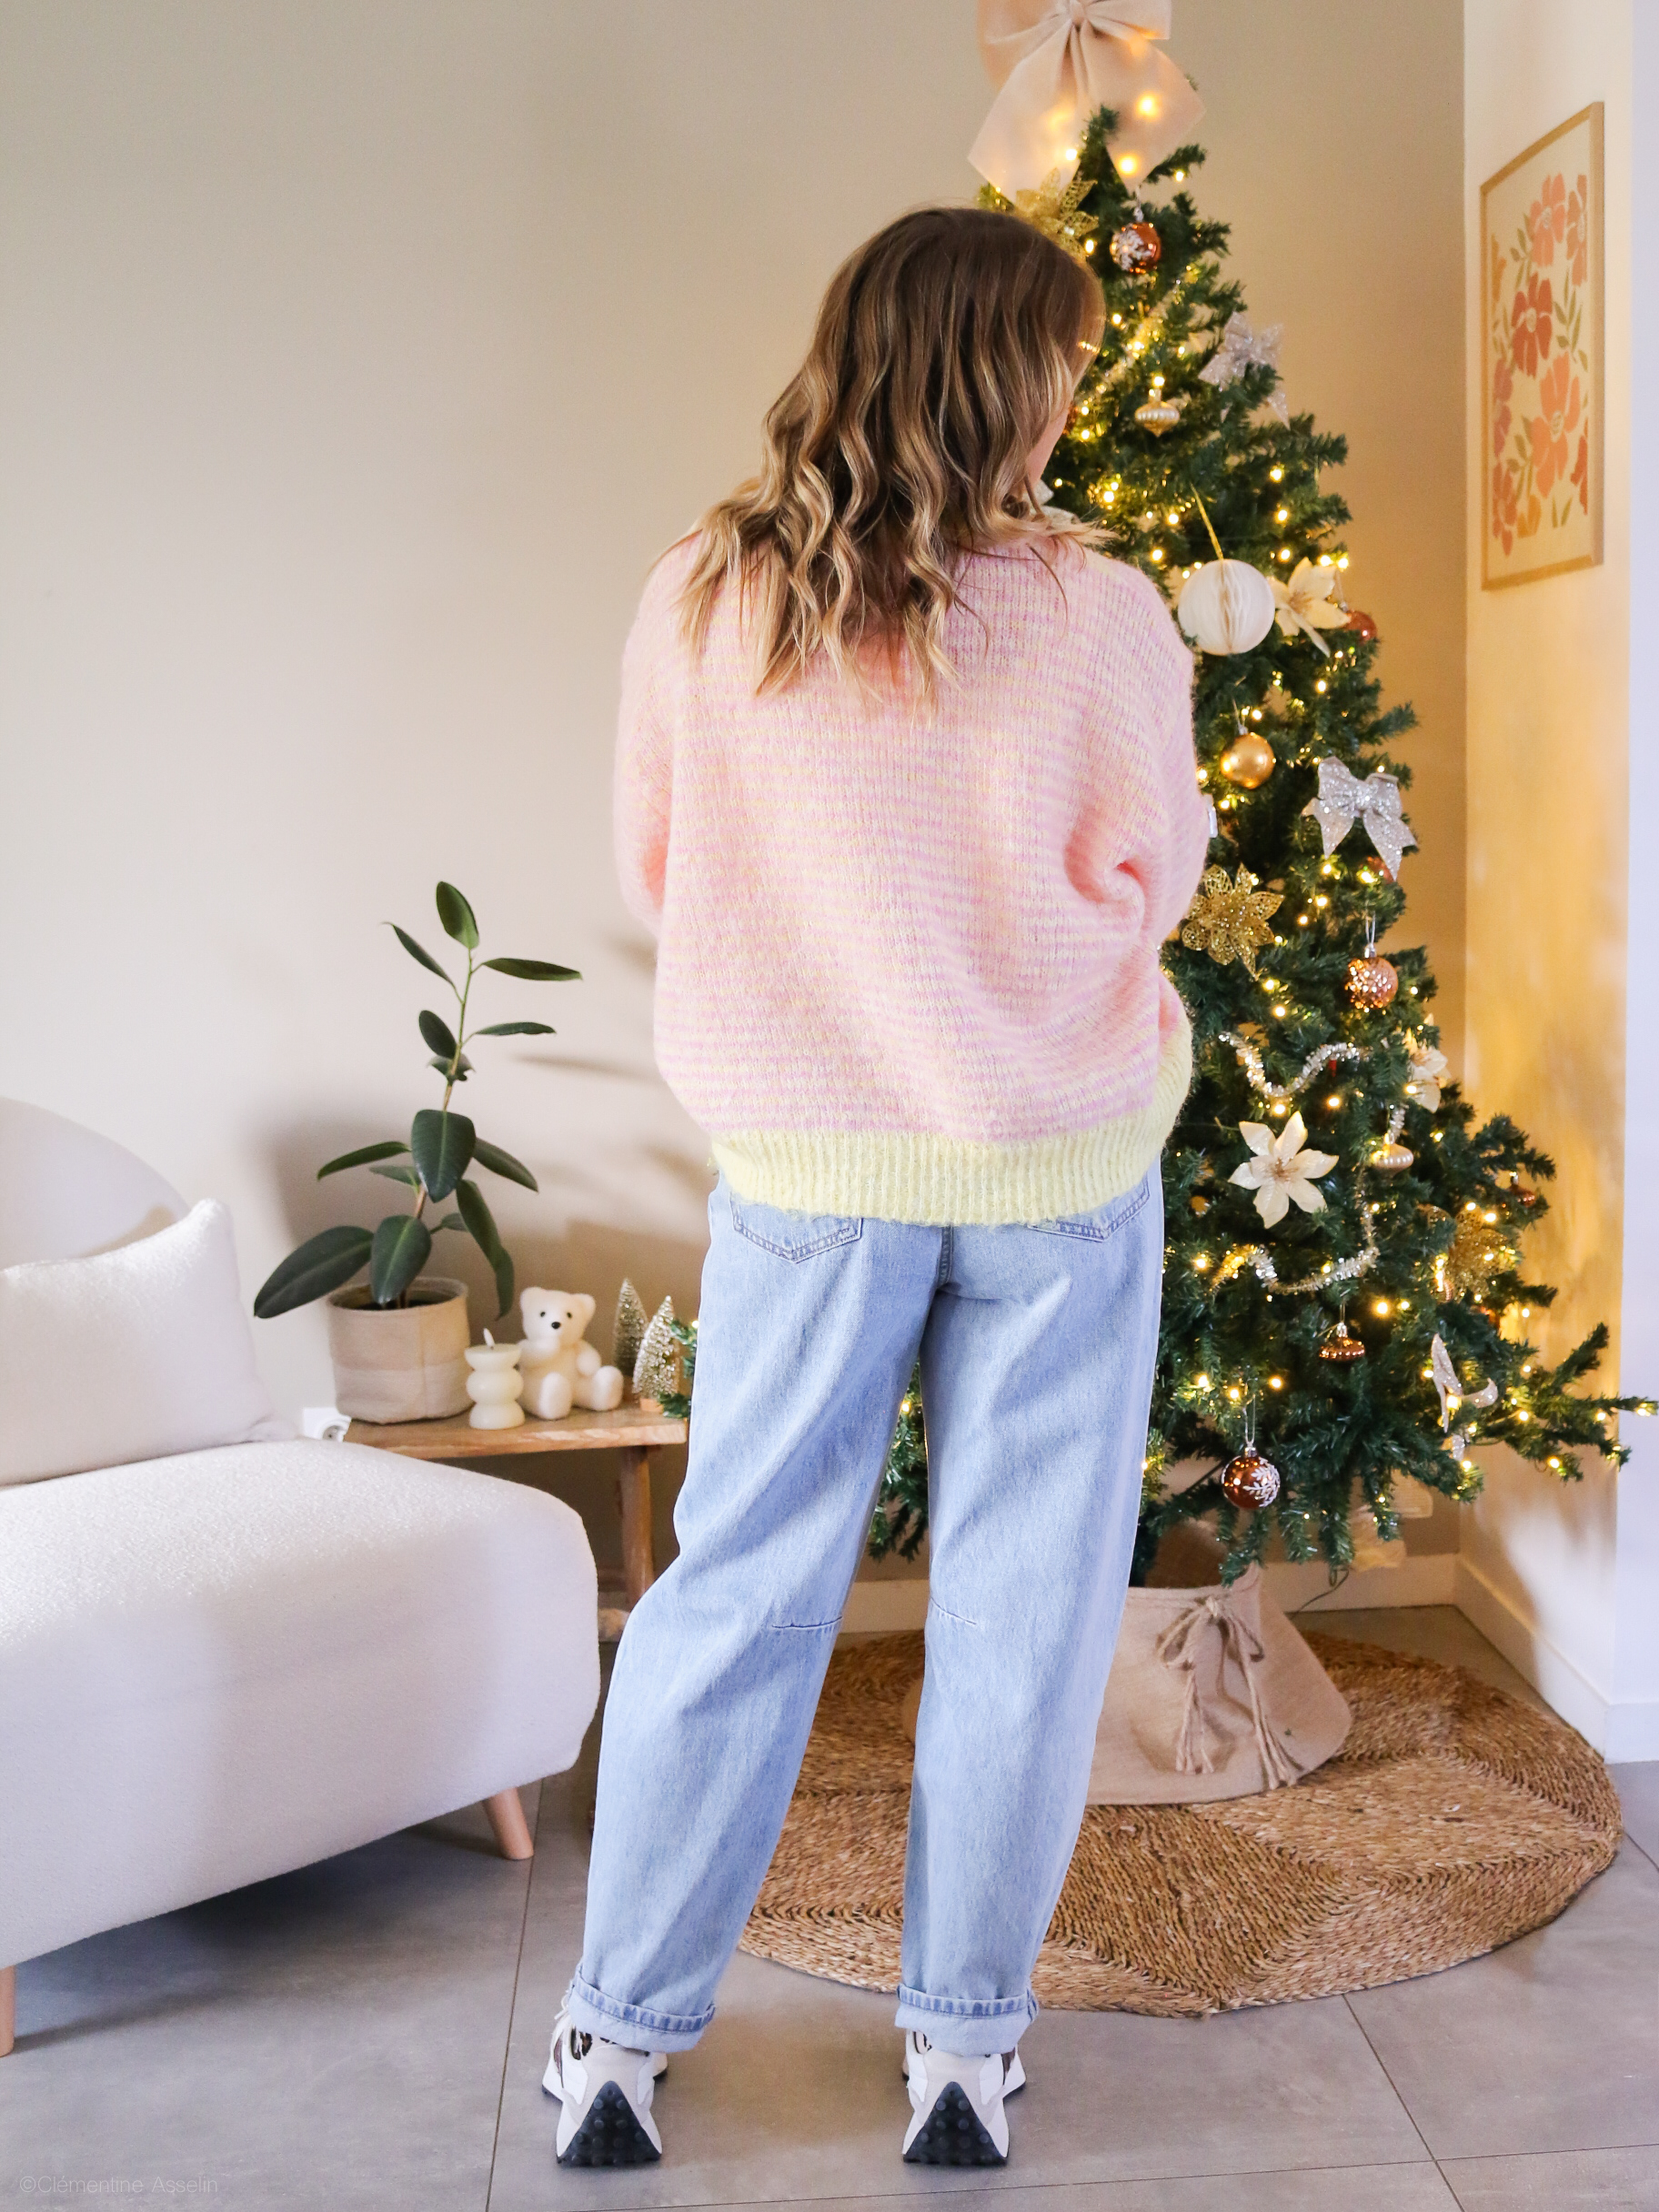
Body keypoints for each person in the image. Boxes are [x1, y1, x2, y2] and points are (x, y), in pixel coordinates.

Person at [544, 204, 1208, 2170]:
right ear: (1011, 380)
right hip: (1058, 1167)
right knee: (1023, 1609)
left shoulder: (702, 595)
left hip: (810, 1170)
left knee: (738, 1587)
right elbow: (1156, 871)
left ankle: (615, 2038)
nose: (1074, 401)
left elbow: (659, 864)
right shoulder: (1103, 613)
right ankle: (964, 2055)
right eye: (1065, 366)